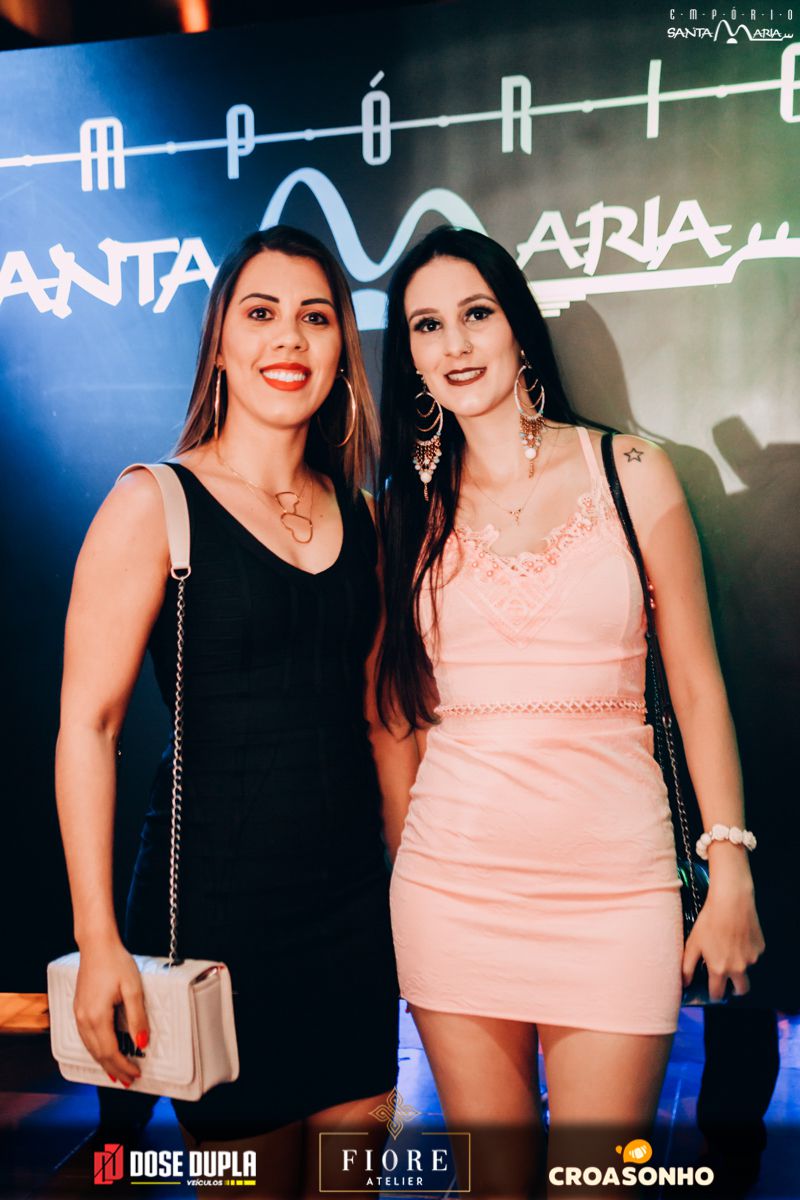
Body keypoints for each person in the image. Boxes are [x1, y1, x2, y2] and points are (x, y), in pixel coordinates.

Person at [376, 226, 765, 1196]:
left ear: (517, 326)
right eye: (426, 325)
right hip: (452, 894)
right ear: (409, 353)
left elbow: (697, 684)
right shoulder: (401, 510)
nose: (455, 344)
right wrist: (403, 868)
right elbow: (395, 717)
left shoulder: (628, 470)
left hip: (616, 893)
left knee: (594, 1181)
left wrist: (727, 867)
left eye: (475, 314)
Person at [55, 226, 400, 1198]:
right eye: (260, 313)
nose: (288, 338)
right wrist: (98, 941)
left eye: (315, 317)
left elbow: (383, 723)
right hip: (218, 923)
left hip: (352, 921)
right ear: (219, 343)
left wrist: (415, 899)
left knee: (350, 1186)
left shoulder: (362, 514)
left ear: (340, 350)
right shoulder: (153, 502)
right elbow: (88, 729)